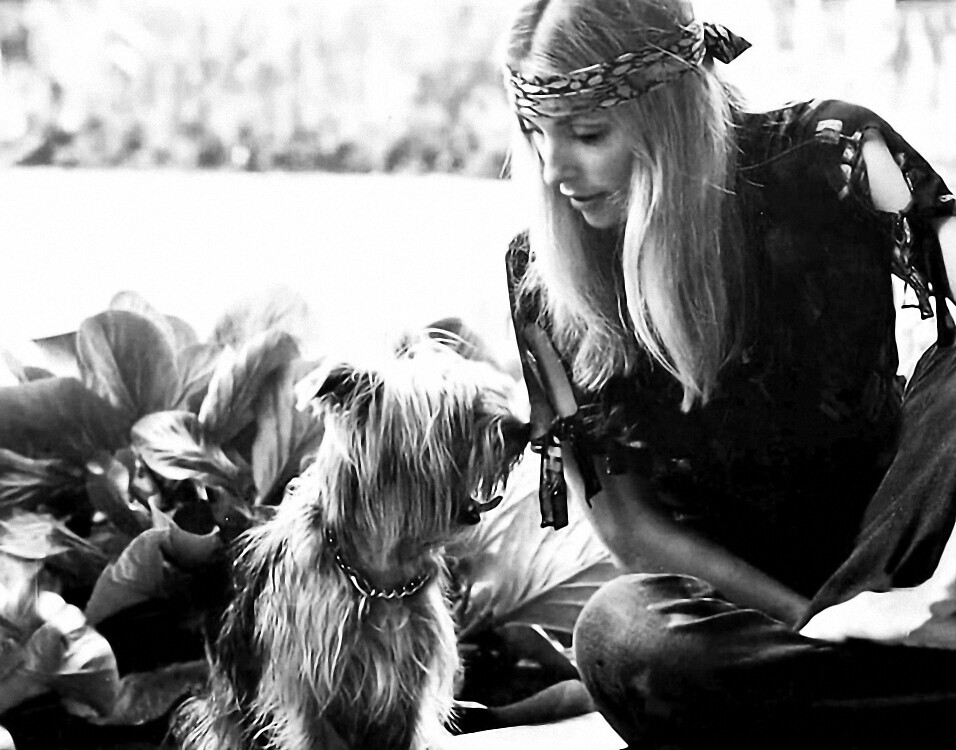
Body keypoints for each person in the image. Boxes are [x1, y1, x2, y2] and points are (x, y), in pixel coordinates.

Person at [500, 0, 956, 746]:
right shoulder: (541, 281)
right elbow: (631, 529)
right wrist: (821, 627)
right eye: (535, 133)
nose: (555, 172)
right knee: (617, 630)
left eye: (587, 133)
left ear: (668, 116)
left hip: (900, 558)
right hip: (744, 627)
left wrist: (922, 588)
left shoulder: (831, 151)